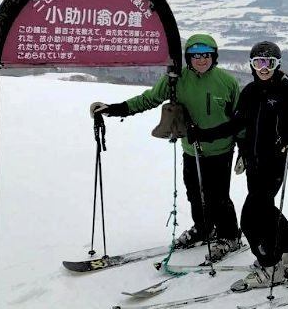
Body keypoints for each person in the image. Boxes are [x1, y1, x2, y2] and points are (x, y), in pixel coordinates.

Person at [90, 34, 241, 262]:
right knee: (193, 193)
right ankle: (203, 228)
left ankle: (230, 236)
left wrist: (244, 150)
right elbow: (148, 99)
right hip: (191, 149)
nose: (201, 60)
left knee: (218, 196)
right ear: (188, 58)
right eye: (196, 55)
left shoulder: (227, 82)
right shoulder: (175, 79)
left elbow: (239, 119)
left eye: (206, 55)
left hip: (221, 150)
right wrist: (114, 109)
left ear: (214, 57)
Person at [191, 41, 288, 277]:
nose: (263, 68)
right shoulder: (250, 92)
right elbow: (235, 125)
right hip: (253, 164)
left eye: (269, 63)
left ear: (277, 64)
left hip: (274, 163)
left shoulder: (287, 90)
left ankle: (270, 265)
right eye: (258, 63)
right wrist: (203, 135)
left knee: (250, 219)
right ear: (252, 65)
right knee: (265, 211)